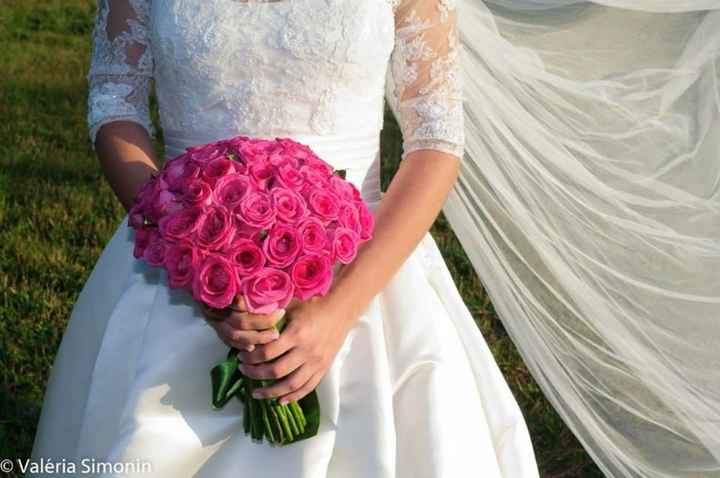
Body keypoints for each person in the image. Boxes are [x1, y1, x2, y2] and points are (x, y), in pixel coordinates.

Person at [29, 0, 540, 477]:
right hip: (187, 253)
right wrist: (181, 239)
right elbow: (117, 104)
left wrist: (339, 310)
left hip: (359, 263)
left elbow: (436, 137)